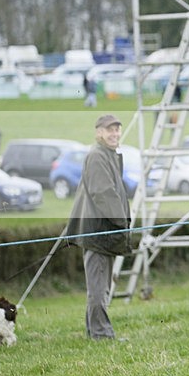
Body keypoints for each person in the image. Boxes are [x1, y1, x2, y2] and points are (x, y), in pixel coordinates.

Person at [67, 114, 131, 340]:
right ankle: (101, 335)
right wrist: (122, 221)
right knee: (98, 287)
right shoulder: (97, 156)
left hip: (101, 232)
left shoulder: (107, 155)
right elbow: (103, 193)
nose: (114, 133)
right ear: (99, 133)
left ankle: (94, 331)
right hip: (98, 233)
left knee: (100, 285)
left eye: (117, 129)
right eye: (109, 130)